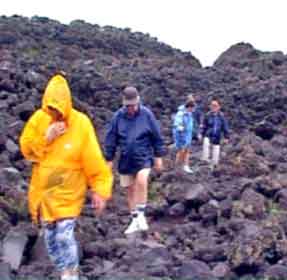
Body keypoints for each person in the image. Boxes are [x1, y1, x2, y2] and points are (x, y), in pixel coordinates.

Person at [19, 73, 113, 280]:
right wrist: (46, 137)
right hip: (46, 192)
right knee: (51, 238)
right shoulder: (39, 119)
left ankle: (71, 274)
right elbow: (26, 150)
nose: (55, 114)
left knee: (64, 235)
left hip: (70, 192)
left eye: (58, 109)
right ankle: (64, 270)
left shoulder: (81, 123)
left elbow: (93, 159)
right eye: (51, 109)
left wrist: (100, 190)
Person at [104, 86, 165, 234]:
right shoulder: (118, 117)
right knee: (130, 190)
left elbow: (156, 136)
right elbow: (111, 139)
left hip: (143, 156)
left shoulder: (146, 115)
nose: (131, 108)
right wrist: (109, 159)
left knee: (142, 179)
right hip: (125, 159)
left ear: (138, 102)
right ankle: (135, 219)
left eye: (133, 105)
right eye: (128, 106)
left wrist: (158, 156)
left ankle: (142, 214)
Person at [201, 98, 229, 168]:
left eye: (215, 105)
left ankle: (213, 166)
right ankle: (205, 160)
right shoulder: (207, 115)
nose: (213, 107)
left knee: (215, 154)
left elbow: (225, 127)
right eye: (212, 105)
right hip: (208, 134)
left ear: (219, 107)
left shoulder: (222, 117)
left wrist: (226, 137)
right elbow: (204, 126)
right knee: (206, 143)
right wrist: (201, 134)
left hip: (217, 136)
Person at [173, 99, 196, 173]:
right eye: (193, 108)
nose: (193, 110)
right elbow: (176, 124)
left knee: (187, 151)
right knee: (181, 152)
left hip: (188, 136)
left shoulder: (189, 114)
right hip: (181, 136)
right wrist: (180, 128)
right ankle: (177, 167)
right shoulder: (181, 114)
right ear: (189, 107)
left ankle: (185, 166)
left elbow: (190, 125)